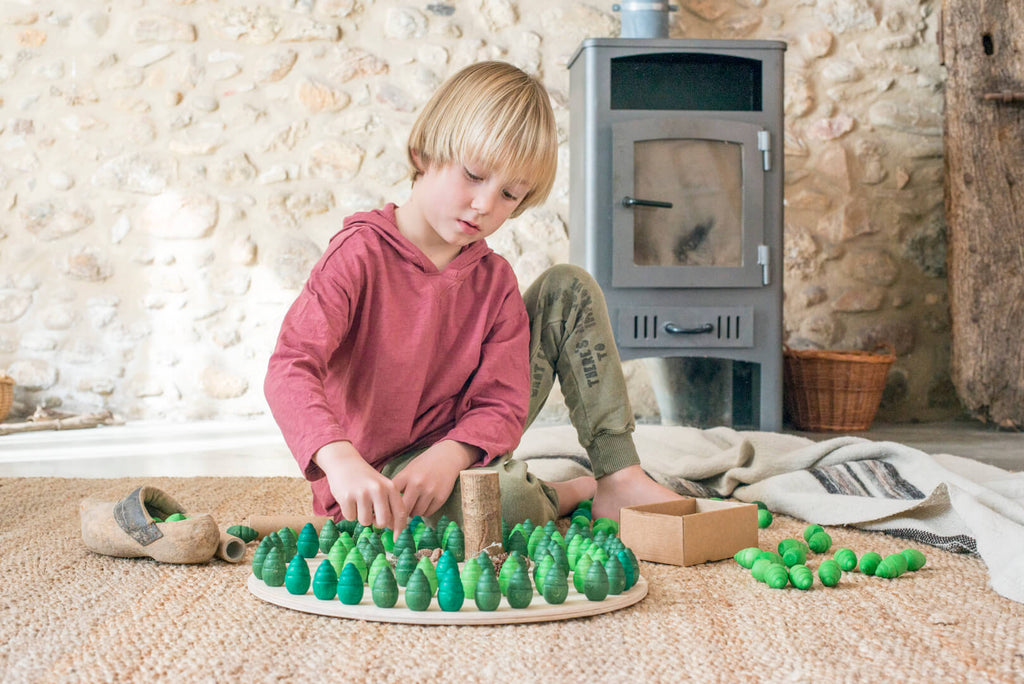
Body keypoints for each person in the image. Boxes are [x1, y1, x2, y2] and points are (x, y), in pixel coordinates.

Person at [264, 61, 681, 533]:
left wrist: (452, 453)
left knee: (569, 286)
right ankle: (563, 493)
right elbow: (289, 367)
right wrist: (340, 461)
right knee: (506, 504)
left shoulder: (494, 280)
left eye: (509, 194)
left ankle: (619, 477)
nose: (485, 205)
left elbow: (502, 404)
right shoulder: (359, 254)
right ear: (423, 153)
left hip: (466, 449)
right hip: (377, 479)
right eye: (474, 175)